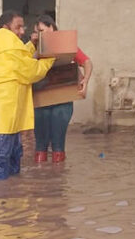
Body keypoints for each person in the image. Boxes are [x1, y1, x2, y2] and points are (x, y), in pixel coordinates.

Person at [0, 10, 54, 184]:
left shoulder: (6, 45)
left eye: (23, 27)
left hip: (7, 111)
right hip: (3, 112)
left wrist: (31, 44)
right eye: (18, 27)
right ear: (6, 28)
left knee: (14, 155)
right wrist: (50, 58)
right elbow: (31, 71)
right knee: (1, 157)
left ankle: (11, 198)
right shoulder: (9, 48)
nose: (22, 31)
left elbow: (21, 56)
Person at [29, 14, 93, 163]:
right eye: (36, 31)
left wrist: (86, 80)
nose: (39, 34)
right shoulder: (32, 47)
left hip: (62, 100)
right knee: (40, 144)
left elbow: (87, 62)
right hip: (41, 101)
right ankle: (43, 179)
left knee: (58, 144)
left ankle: (57, 181)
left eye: (41, 30)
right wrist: (36, 50)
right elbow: (26, 68)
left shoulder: (66, 45)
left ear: (52, 27)